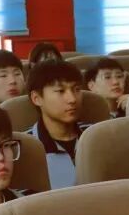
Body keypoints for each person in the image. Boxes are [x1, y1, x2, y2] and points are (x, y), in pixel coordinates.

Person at [25, 60, 90, 189]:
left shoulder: (95, 135)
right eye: (60, 91)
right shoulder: (27, 148)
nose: (72, 99)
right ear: (36, 98)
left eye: (76, 89)